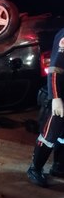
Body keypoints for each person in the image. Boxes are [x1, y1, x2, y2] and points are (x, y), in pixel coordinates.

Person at [27, 28, 64, 187]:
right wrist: (56, 98)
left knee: (63, 136)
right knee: (50, 134)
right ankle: (35, 168)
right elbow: (55, 69)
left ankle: (59, 167)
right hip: (60, 96)